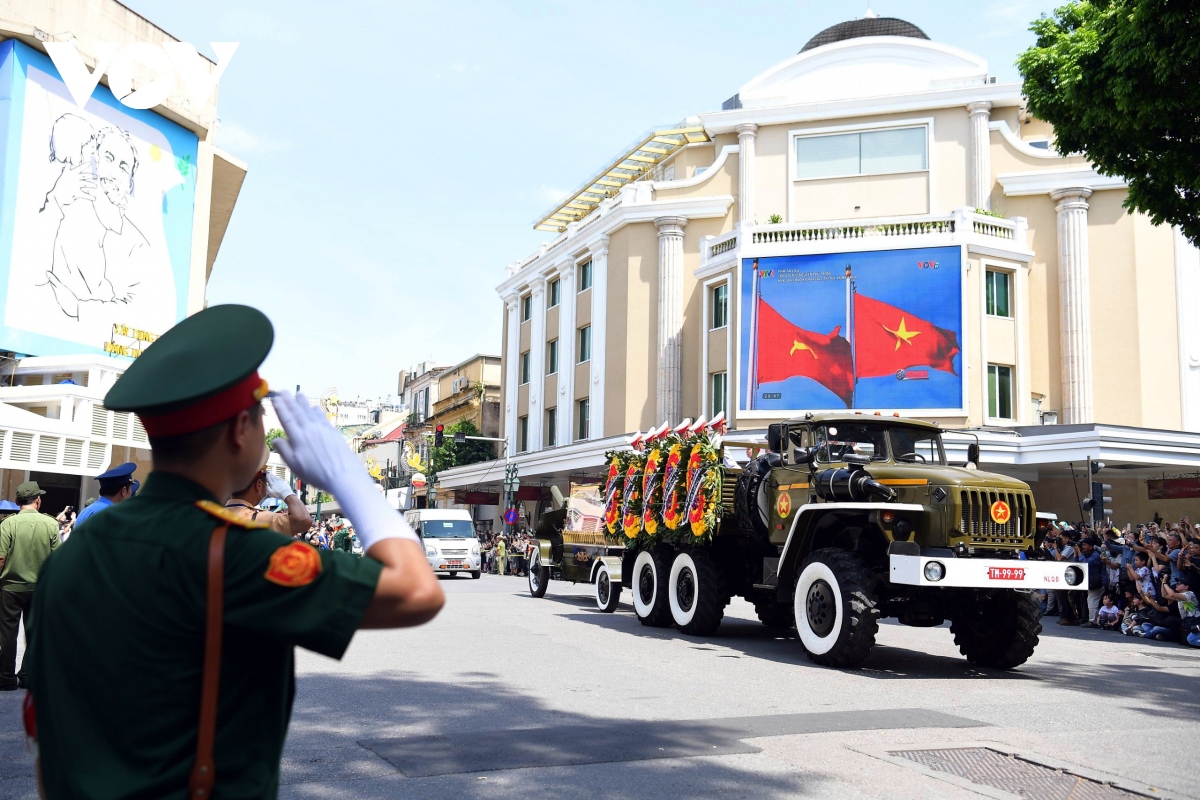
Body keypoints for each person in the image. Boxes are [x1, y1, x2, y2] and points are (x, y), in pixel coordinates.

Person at [25, 304, 444, 799]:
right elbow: (417, 590)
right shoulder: (232, 552)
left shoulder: (76, 550)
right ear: (239, 431)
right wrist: (353, 482)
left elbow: (43, 717)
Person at [0, 482, 61, 691]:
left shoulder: (8, 524)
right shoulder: (51, 524)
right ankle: (28, 675)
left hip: (10, 587)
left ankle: (5, 677)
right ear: (38, 500)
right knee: (34, 632)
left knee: (7, 633)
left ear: (17, 502)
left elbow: (1, 557)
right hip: (39, 587)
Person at [224, 465, 310, 535]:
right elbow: (303, 520)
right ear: (259, 485)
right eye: (266, 483)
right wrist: (287, 494)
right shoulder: (258, 519)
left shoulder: (214, 514)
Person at [72, 462, 138, 530]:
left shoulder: (86, 511)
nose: (131, 493)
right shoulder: (112, 515)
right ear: (123, 491)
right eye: (130, 488)